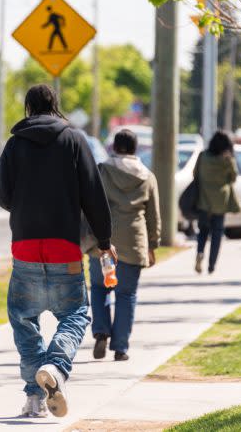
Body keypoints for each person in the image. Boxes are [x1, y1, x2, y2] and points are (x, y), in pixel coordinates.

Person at [0, 84, 115, 419]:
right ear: (55, 105)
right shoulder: (74, 140)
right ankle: (56, 367)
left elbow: (1, 192)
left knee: (23, 318)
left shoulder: (15, 144)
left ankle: (34, 401)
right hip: (64, 246)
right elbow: (93, 194)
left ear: (28, 107)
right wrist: (104, 240)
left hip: (25, 245)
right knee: (75, 314)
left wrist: (22, 208)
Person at [86, 129, 160, 362]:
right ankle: (121, 348)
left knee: (99, 288)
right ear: (135, 149)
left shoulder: (102, 171)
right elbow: (153, 216)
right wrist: (152, 244)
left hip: (102, 242)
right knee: (126, 294)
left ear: (114, 148)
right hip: (133, 242)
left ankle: (101, 333)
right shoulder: (147, 177)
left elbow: (90, 205)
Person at [193, 130, 240, 274]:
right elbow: (233, 178)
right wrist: (230, 161)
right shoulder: (227, 160)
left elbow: (195, 174)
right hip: (220, 202)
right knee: (217, 234)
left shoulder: (203, 156)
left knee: (202, 231)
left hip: (204, 201)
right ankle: (211, 265)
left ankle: (200, 251)